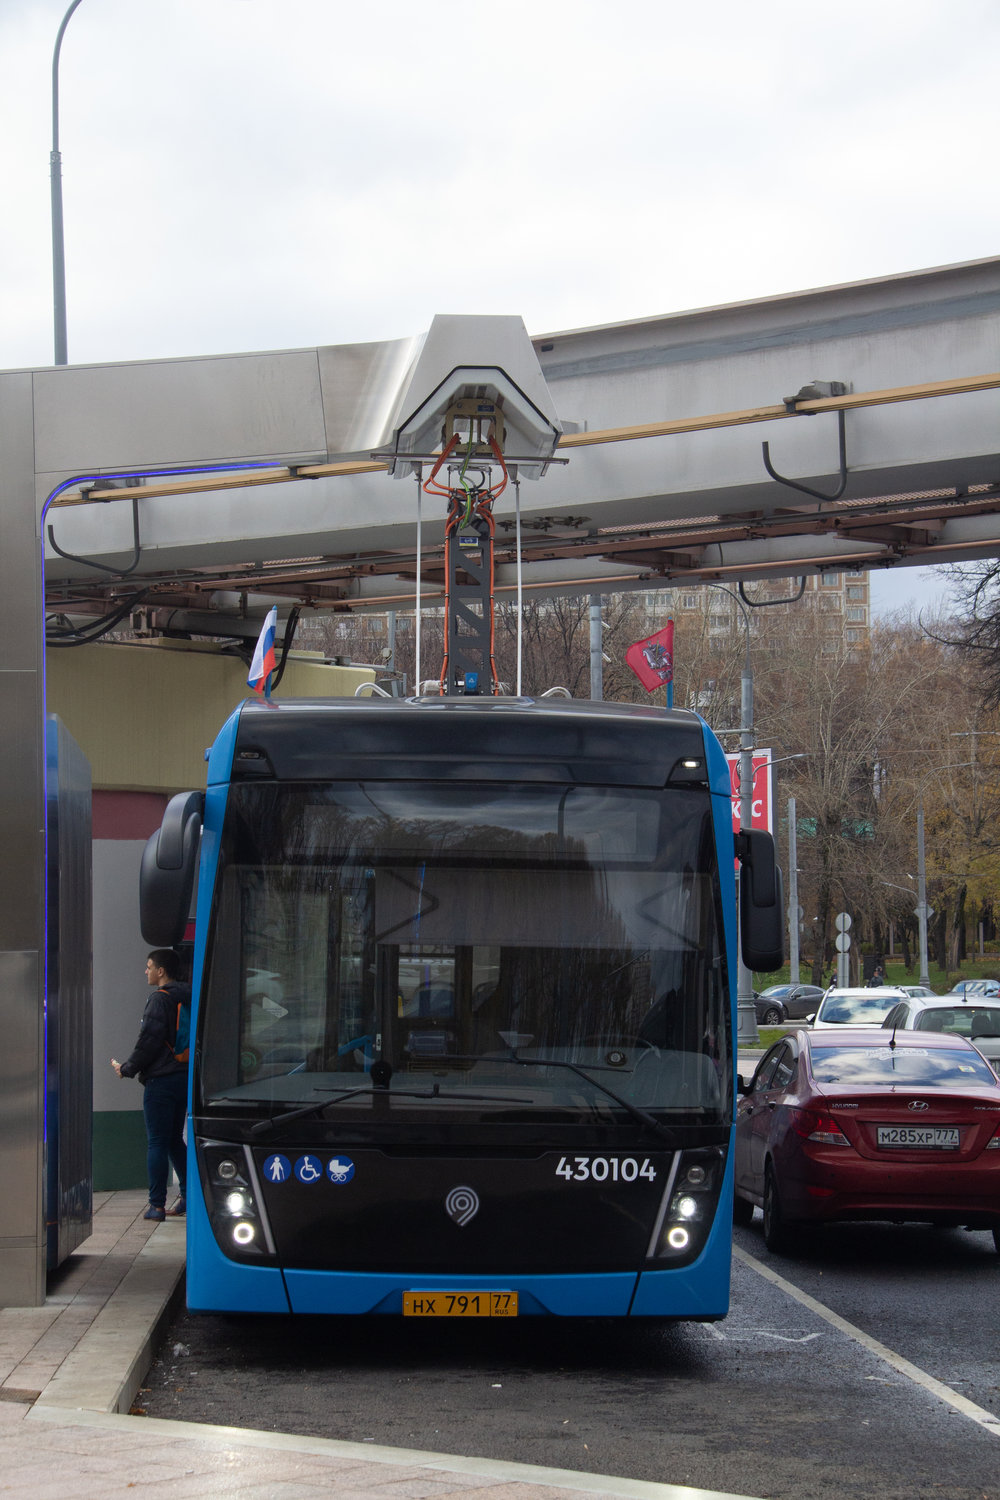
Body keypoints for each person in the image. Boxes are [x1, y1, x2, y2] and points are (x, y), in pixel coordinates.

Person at [111, 949, 189, 1222]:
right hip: (184, 1076)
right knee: (173, 1140)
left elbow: (149, 1041)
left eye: (149, 967)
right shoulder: (188, 995)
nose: (146, 971)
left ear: (161, 971)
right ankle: (190, 1197)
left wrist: (127, 1068)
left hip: (161, 1080)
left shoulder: (159, 1000)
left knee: (157, 1141)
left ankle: (156, 1205)